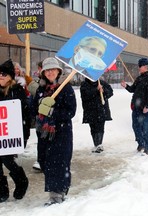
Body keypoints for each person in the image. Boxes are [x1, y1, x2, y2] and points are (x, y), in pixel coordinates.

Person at [33, 57, 76, 205]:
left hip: (61, 133)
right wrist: (39, 105)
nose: (50, 72)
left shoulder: (66, 88)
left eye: (53, 69)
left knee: (59, 163)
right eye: (47, 70)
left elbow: (71, 111)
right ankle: (60, 189)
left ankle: (57, 195)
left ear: (58, 71)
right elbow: (35, 109)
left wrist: (52, 112)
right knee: (45, 163)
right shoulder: (41, 89)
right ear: (43, 72)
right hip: (44, 133)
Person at [0, 59, 30, 202]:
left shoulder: (17, 91)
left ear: (11, 76)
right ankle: (1, 190)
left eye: (4, 74)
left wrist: (24, 135)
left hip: (11, 134)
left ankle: (21, 181)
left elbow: (24, 114)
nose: (1, 76)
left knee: (8, 161)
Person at [121, 58, 148, 155]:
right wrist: (126, 86)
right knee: (135, 126)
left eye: (139, 66)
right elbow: (133, 89)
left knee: (146, 127)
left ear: (144, 67)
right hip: (136, 107)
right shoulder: (139, 78)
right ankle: (141, 143)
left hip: (145, 108)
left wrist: (147, 106)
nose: (138, 68)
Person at [80, 78, 113, 153]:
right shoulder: (84, 84)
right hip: (90, 110)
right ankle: (96, 144)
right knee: (93, 128)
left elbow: (110, 93)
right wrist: (96, 90)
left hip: (101, 109)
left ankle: (99, 144)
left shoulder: (102, 83)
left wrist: (103, 90)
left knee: (100, 127)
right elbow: (85, 96)